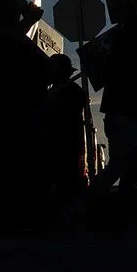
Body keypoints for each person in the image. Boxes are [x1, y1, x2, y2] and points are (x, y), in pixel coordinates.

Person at [89, 12, 137, 228]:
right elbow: (126, 76)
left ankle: (133, 217)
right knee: (124, 165)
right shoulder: (127, 41)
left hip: (135, 113)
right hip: (127, 113)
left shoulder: (129, 41)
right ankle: (86, 206)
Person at [43, 55, 90, 226]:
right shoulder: (70, 91)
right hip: (67, 143)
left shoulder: (64, 92)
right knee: (68, 179)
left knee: (66, 179)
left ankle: (67, 215)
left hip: (63, 143)